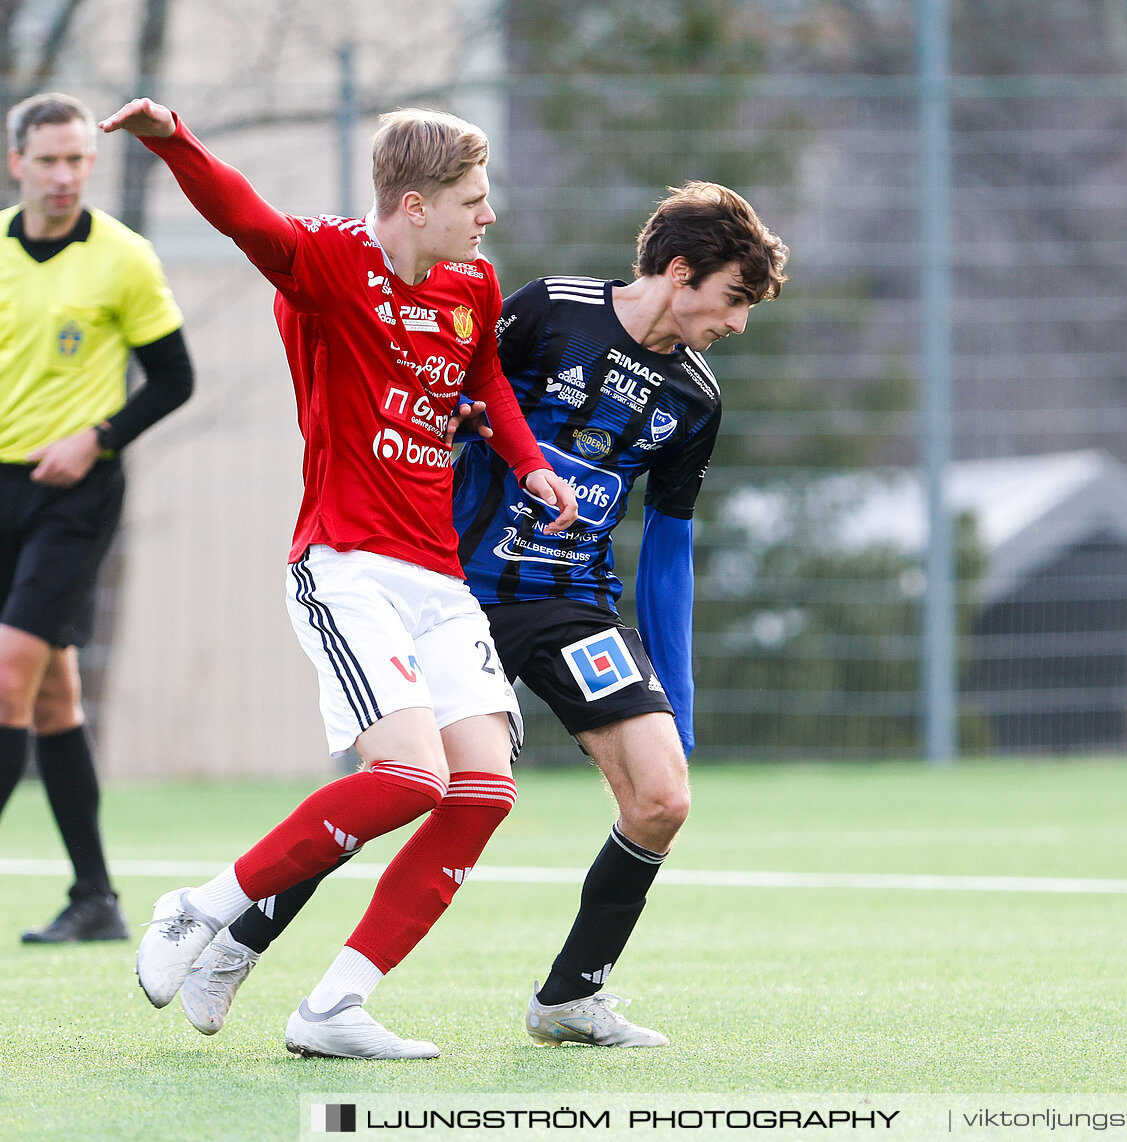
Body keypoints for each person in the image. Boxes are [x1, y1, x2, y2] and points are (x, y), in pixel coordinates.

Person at [175, 182, 788, 1049]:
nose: (738, 324)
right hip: (448, 590)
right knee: (404, 784)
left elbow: (671, 549)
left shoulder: (696, 397)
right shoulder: (547, 311)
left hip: (571, 605)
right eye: (733, 299)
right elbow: (443, 395)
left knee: (660, 796)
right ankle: (241, 938)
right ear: (681, 273)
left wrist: (677, 698)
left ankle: (571, 996)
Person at [102, 95, 578, 1060]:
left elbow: (480, 381)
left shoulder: (472, 285)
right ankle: (203, 911)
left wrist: (531, 465)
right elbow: (245, 217)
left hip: (437, 577)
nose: (488, 215)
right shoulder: (328, 263)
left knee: (482, 792)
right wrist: (174, 140)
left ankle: (333, 1009)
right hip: (347, 564)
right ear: (414, 204)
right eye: (473, 199)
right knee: (407, 777)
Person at [0, 93, 193, 944]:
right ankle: (96, 899)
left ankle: (94, 897)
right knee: (51, 697)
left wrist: (99, 437)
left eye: (77, 158)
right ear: (18, 165)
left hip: (75, 497)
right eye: (48, 159)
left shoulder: (123, 258)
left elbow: (175, 379)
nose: (64, 174)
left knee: (8, 675)